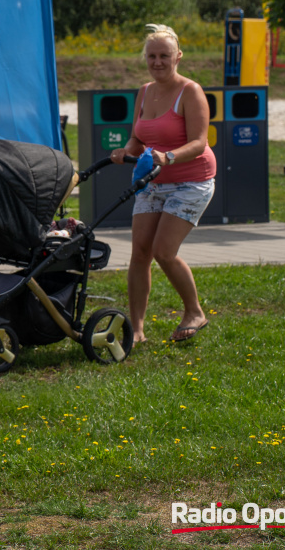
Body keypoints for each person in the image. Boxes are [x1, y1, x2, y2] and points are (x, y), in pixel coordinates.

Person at [110, 24, 216, 344]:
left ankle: (194, 312)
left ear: (178, 57)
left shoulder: (191, 91)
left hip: (191, 180)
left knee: (163, 252)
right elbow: (138, 138)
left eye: (164, 56)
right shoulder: (144, 91)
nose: (157, 62)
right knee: (140, 251)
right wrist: (126, 151)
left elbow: (199, 142)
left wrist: (168, 157)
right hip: (154, 181)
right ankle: (137, 329)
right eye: (152, 56)